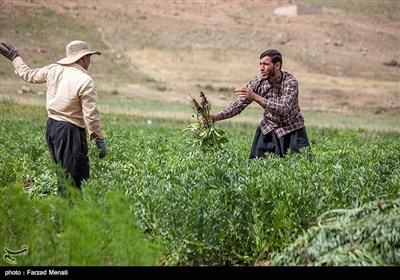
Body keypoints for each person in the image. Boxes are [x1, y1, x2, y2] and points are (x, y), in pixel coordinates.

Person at [0, 40, 107, 196]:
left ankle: (68, 212)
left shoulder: (53, 70)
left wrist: (15, 57)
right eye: (89, 57)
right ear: (83, 58)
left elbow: (28, 75)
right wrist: (99, 138)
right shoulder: (85, 80)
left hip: (52, 129)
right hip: (70, 132)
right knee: (72, 180)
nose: (89, 60)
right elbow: (90, 115)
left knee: (65, 175)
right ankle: (66, 216)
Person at [210, 49, 310, 159]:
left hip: (292, 128)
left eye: (266, 64)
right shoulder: (257, 82)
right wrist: (216, 117)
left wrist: (256, 97)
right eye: (260, 64)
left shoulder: (290, 82)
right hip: (268, 128)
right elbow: (238, 105)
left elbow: (284, 108)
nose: (262, 68)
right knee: (256, 166)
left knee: (301, 165)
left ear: (277, 65)